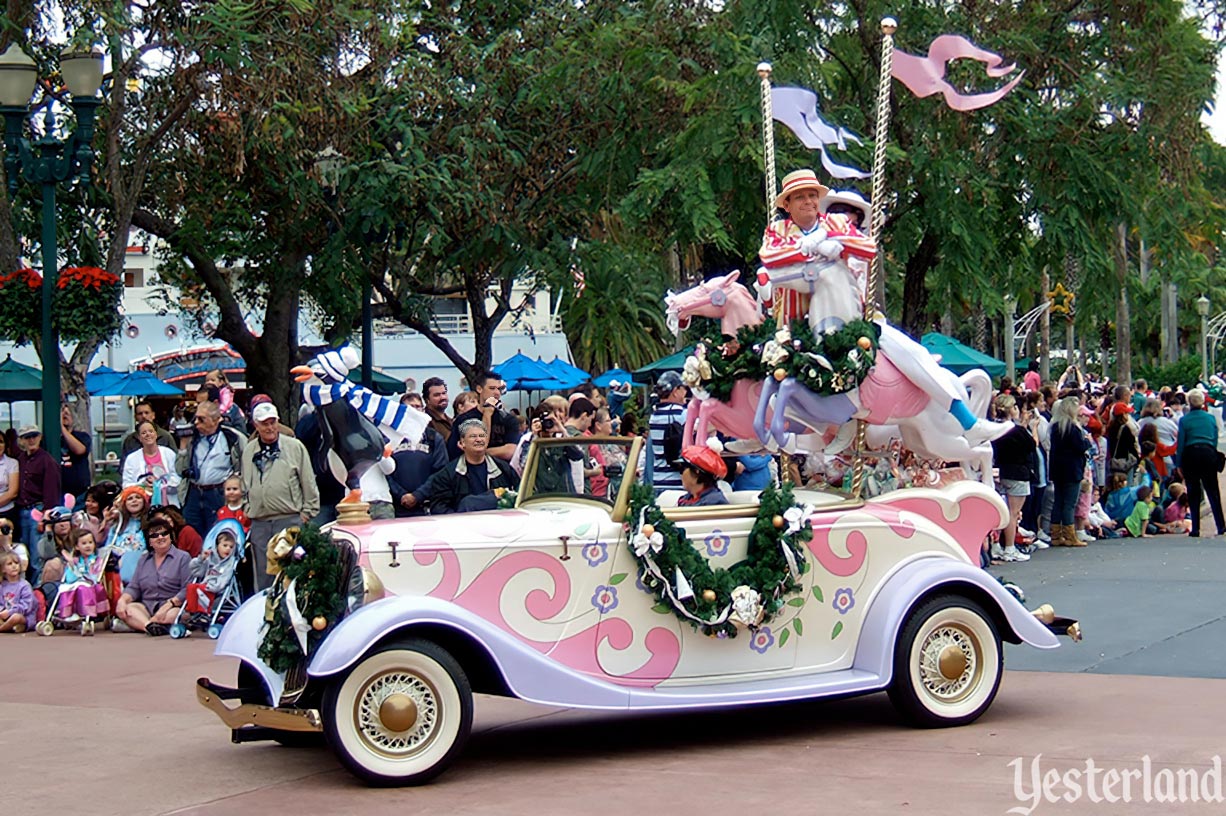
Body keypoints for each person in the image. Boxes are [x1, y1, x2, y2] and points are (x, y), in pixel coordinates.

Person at [759, 168, 1008, 449]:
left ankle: (966, 420)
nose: (808, 202)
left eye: (812, 195)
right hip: (794, 327)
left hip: (854, 319)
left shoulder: (835, 225)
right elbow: (770, 258)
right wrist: (807, 246)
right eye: (800, 197)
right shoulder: (777, 231)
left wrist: (835, 242)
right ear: (788, 204)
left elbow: (866, 247)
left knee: (912, 353)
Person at [241, 402, 319, 590]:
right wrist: (247, 508)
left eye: (272, 422)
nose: (269, 427)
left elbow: (308, 482)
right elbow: (244, 483)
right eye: (264, 423)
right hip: (260, 522)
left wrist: (307, 513)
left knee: (293, 572)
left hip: (289, 519)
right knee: (263, 576)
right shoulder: (249, 450)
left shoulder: (295, 447)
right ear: (256, 425)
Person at [407, 419, 519, 514]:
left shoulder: (503, 469)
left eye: (482, 436)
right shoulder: (446, 475)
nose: (479, 439)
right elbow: (439, 508)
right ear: (461, 443)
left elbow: (518, 495)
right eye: (473, 436)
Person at [114, 516, 191, 636]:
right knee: (129, 608)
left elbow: (187, 588)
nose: (160, 537)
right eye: (155, 535)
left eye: (164, 533)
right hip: (147, 607)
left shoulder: (183, 557)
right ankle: (150, 627)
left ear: (171, 536)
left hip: (171, 607)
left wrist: (167, 605)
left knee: (174, 615)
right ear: (149, 541)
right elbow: (134, 587)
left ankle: (143, 625)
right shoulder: (143, 560)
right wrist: (122, 601)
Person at [176, 401, 244, 536]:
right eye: (196, 418)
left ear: (215, 420)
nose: (196, 423)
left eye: (201, 419)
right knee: (191, 533)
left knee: (217, 533)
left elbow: (244, 466)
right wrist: (183, 447)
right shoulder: (191, 438)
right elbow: (179, 470)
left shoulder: (231, 438)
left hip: (218, 493)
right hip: (194, 492)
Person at [990, 395, 1034, 562]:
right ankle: (1009, 547)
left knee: (1000, 510)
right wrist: (1030, 427)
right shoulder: (1017, 431)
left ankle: (996, 545)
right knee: (1012, 513)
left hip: (1000, 471)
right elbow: (1031, 445)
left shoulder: (994, 428)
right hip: (1017, 472)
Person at [388, 394, 449, 517]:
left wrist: (418, 495)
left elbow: (441, 471)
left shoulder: (434, 438)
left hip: (427, 505)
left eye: (418, 407)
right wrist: (401, 495)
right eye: (411, 407)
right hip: (396, 506)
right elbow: (384, 473)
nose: (415, 411)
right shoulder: (389, 438)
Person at [1176, 388, 1225, 538]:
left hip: (1191, 454)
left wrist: (1179, 464)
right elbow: (1215, 436)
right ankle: (1220, 525)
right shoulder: (1210, 418)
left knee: (1193, 491)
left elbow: (1181, 444)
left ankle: (1195, 528)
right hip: (1208, 452)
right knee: (1213, 490)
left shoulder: (1184, 420)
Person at [15, 424, 60, 579]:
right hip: (21, 511)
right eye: (27, 437)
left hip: (39, 511)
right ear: (21, 440)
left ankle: (38, 593)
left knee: (37, 557)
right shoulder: (19, 460)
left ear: (40, 437)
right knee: (23, 555)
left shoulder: (47, 460)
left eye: (34, 436)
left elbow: (52, 491)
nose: (31, 440)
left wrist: (45, 517)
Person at [1048, 397, 1093, 547]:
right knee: (1069, 503)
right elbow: (1080, 447)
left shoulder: (1055, 427)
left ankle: (1055, 533)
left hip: (1057, 469)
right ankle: (1069, 535)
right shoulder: (1072, 429)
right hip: (1072, 469)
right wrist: (1087, 441)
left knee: (1058, 501)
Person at [447, 373, 521, 462]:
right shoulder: (464, 419)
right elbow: (453, 452)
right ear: (479, 389)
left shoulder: (508, 419)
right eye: (492, 388)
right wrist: (487, 415)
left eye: (499, 389)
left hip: (501, 471)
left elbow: (510, 451)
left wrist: (476, 452)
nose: (497, 393)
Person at [187, 520, 242, 621]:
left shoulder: (230, 563)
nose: (228, 549)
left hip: (217, 588)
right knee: (191, 587)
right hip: (205, 586)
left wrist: (212, 587)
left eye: (231, 547)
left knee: (200, 590)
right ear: (217, 546)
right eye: (225, 545)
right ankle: (194, 612)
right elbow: (195, 571)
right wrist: (201, 559)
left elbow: (225, 579)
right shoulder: (210, 558)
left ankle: (204, 613)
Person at [52, 528, 110, 622]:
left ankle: (85, 613)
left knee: (82, 587)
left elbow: (94, 577)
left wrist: (82, 576)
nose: (88, 546)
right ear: (77, 547)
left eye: (90, 542)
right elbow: (69, 579)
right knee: (65, 587)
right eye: (84, 543)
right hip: (76, 582)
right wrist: (71, 564)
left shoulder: (97, 561)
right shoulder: (75, 561)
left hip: (90, 583)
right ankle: (68, 613)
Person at [121, 421, 182, 506]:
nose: (148, 434)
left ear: (156, 434)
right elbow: (126, 485)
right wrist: (142, 485)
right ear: (139, 438)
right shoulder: (131, 458)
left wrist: (160, 485)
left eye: (151, 431)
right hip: (143, 505)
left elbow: (178, 478)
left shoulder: (169, 453)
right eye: (143, 433)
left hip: (169, 503)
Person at [648, 371, 688, 494]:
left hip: (658, 480)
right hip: (677, 483)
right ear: (675, 391)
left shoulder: (654, 416)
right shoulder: (681, 413)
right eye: (683, 388)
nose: (685, 392)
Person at [58, 405, 92, 503]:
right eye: (62, 414)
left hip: (80, 494)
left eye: (67, 414)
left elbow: (79, 450)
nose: (65, 416)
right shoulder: (52, 438)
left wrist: (62, 429)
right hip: (59, 493)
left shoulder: (83, 436)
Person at [0, 550, 35, 633]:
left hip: (23, 616)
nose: (14, 566)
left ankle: (2, 628)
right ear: (2, 569)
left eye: (16, 563)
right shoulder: (2, 586)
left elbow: (26, 606)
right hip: (5, 615)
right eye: (10, 564)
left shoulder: (24, 585)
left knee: (16, 617)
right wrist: (2, 611)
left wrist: (10, 612)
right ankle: (9, 626)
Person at [422, 377, 453, 441]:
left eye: (444, 393)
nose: (442, 397)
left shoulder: (450, 420)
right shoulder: (426, 421)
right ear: (427, 400)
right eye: (437, 395)